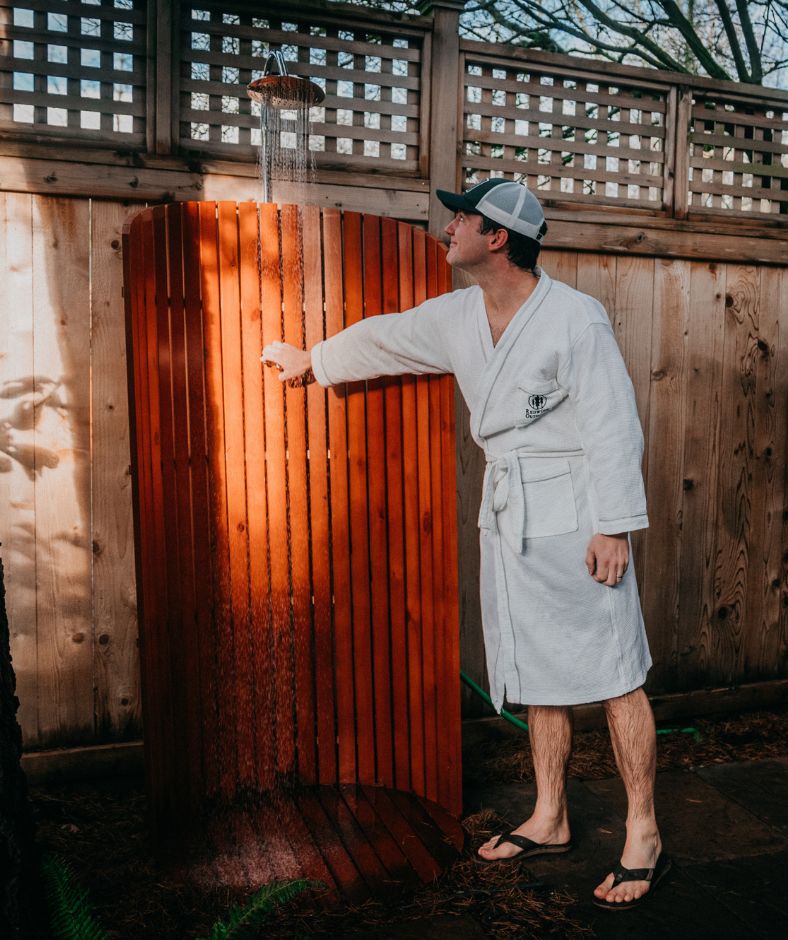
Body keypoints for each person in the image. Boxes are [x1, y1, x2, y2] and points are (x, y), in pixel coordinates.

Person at [261, 178, 669, 909]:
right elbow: (387, 336)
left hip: (578, 512)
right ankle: (550, 816)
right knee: (540, 670)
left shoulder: (576, 319)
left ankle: (644, 832)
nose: (448, 228)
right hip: (512, 512)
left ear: (498, 238)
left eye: (462, 219)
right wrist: (314, 361)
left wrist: (615, 525)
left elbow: (613, 421)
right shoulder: (457, 315)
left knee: (614, 673)